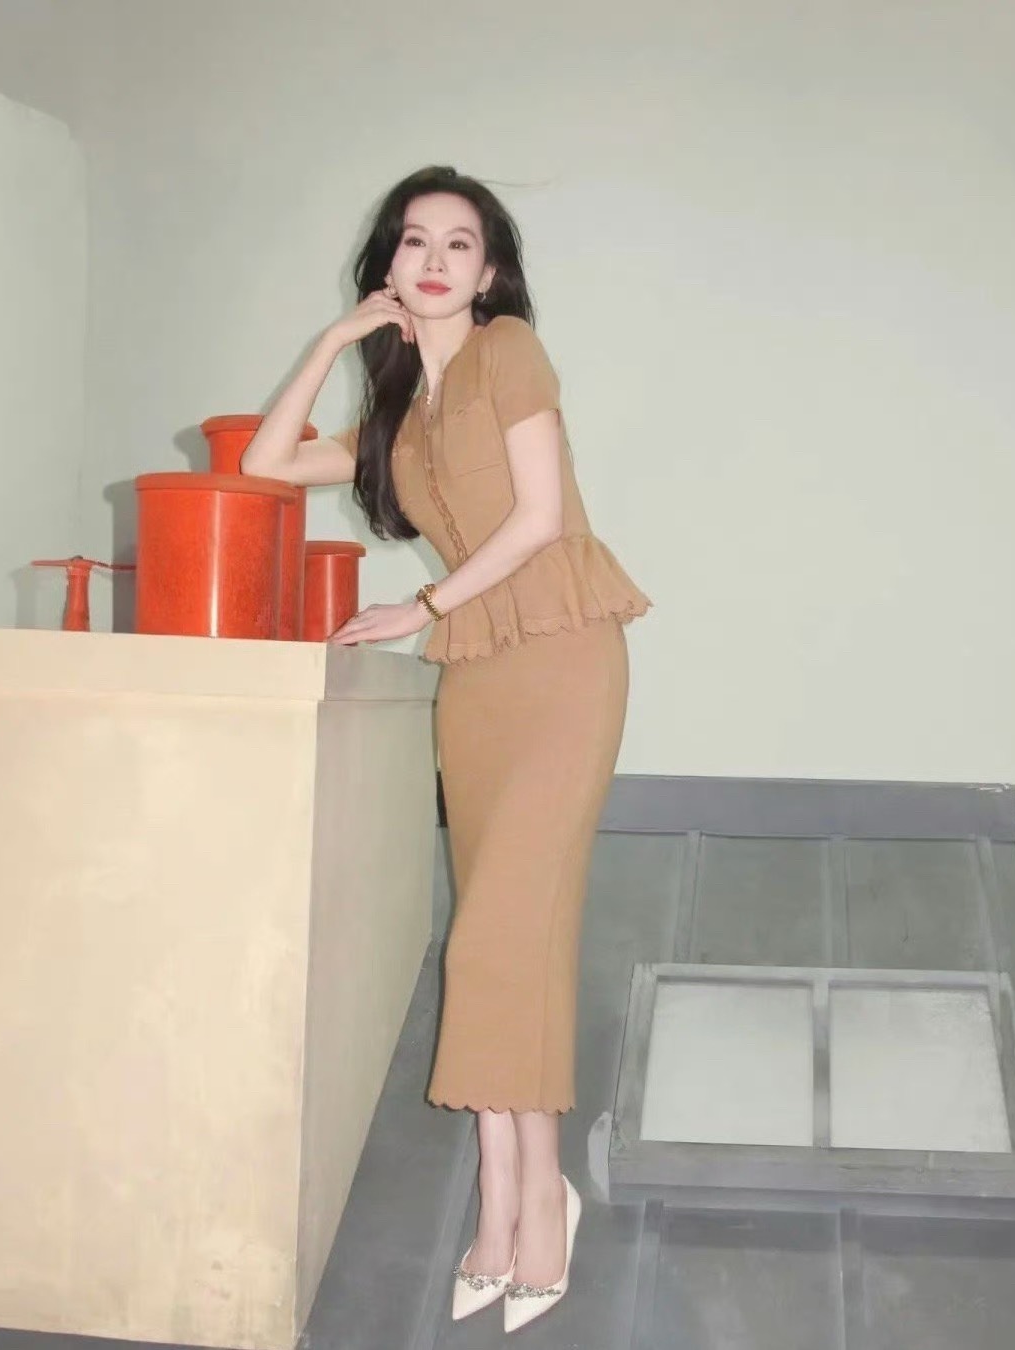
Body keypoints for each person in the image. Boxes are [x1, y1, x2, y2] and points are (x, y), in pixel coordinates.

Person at [241, 165, 651, 1333]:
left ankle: (529, 1194)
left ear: (489, 270)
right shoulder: (396, 422)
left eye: (458, 243)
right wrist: (336, 339)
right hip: (476, 684)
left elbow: (541, 518)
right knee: (508, 940)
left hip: (563, 658)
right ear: (388, 265)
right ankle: (514, 1191)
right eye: (413, 241)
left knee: (495, 936)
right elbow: (265, 464)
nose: (433, 259)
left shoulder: (509, 351)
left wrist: (418, 607)